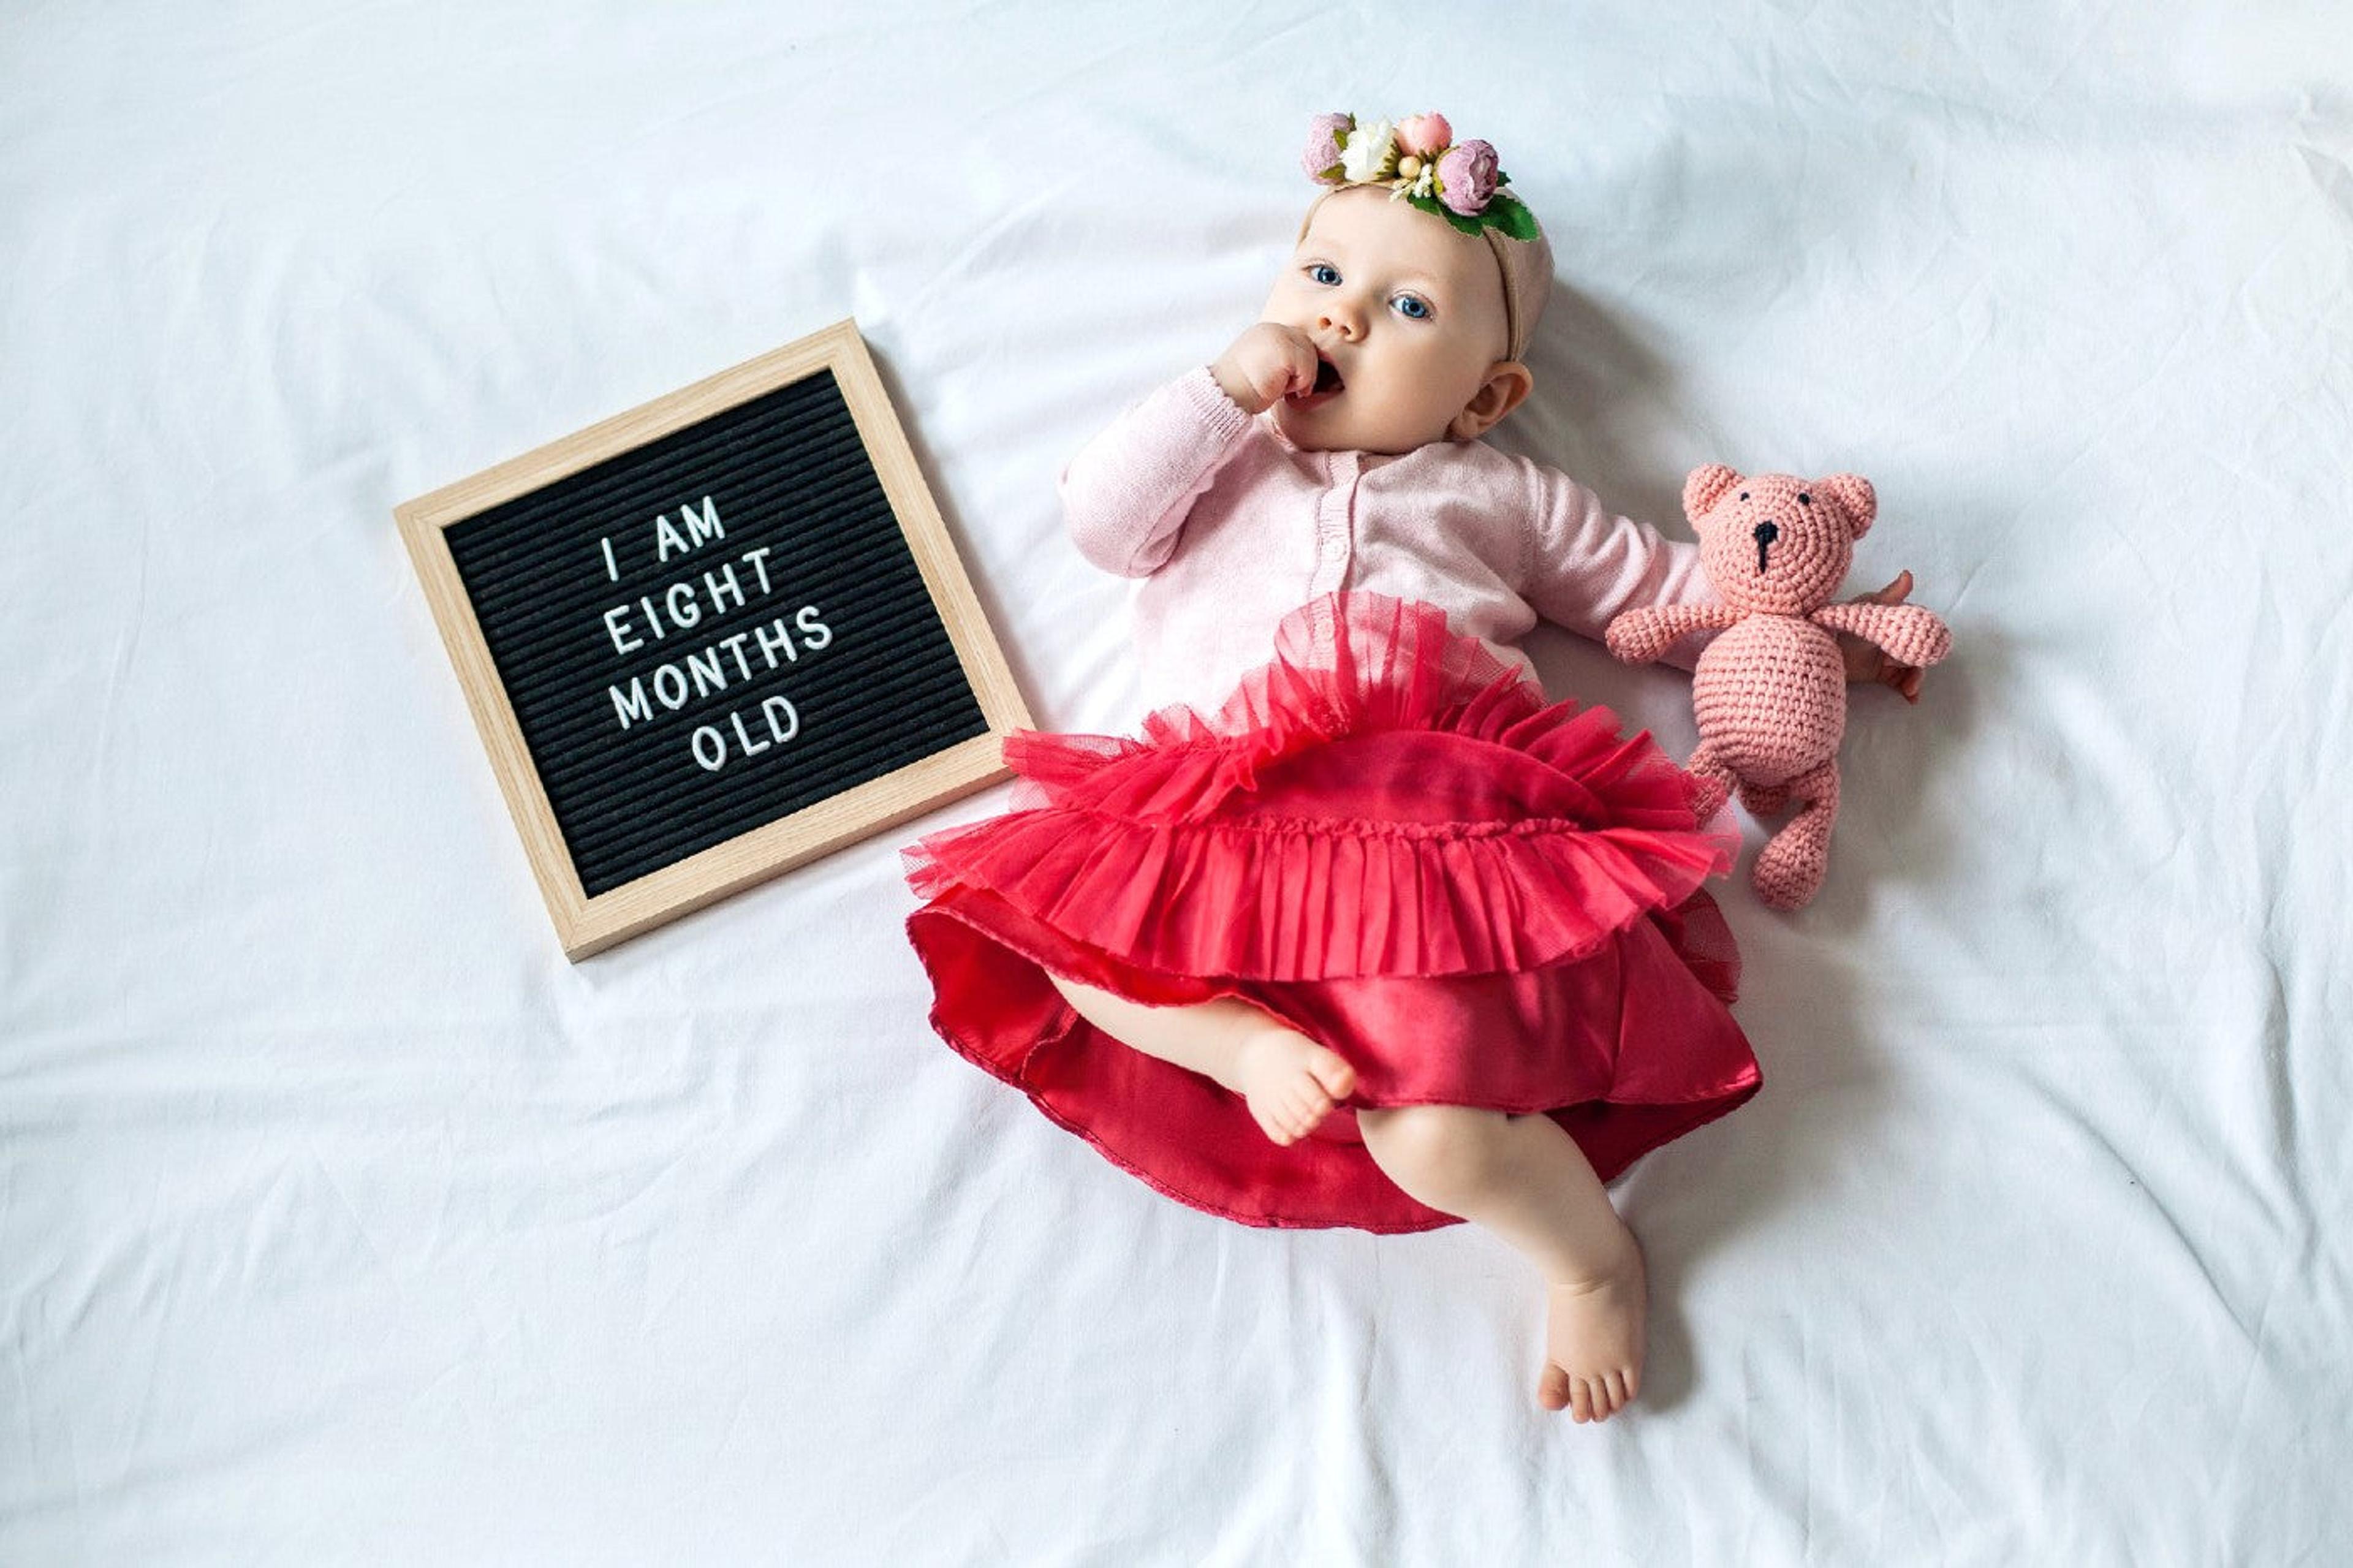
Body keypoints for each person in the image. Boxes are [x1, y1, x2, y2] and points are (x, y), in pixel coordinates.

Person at [902, 112, 1928, 1423]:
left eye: (1406, 306)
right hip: (1221, 807)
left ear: (1486, 396)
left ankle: (1589, 1252)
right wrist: (1222, 387)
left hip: (1435, 833)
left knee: (1433, 1127)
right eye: (1321, 278)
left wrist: (1804, 625)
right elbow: (1103, 518)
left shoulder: (1499, 492)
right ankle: (1231, 1042)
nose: (1342, 320)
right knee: (1049, 938)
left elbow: (1652, 596)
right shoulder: (1225, 456)